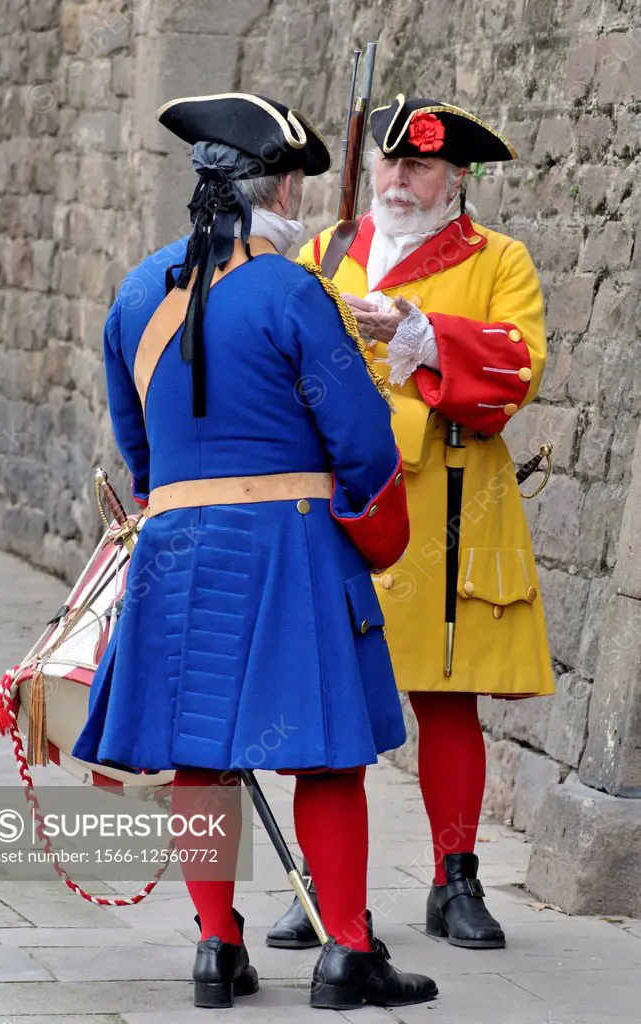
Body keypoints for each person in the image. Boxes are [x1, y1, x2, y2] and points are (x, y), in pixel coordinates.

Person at [72, 92, 438, 1010]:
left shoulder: (131, 292)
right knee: (326, 757)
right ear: (276, 188)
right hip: (292, 547)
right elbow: (359, 440)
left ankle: (216, 948)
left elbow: (138, 445)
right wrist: (373, 522)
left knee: (199, 755)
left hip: (178, 548)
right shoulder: (293, 291)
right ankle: (346, 953)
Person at [267, 96, 555, 953]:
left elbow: (517, 365)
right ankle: (323, 885)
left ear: (455, 180)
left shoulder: (500, 259)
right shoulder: (324, 252)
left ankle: (453, 877)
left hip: (453, 503)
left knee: (447, 698)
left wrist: (425, 338)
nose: (398, 179)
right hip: (342, 503)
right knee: (331, 698)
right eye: (390, 163)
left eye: (419, 165)